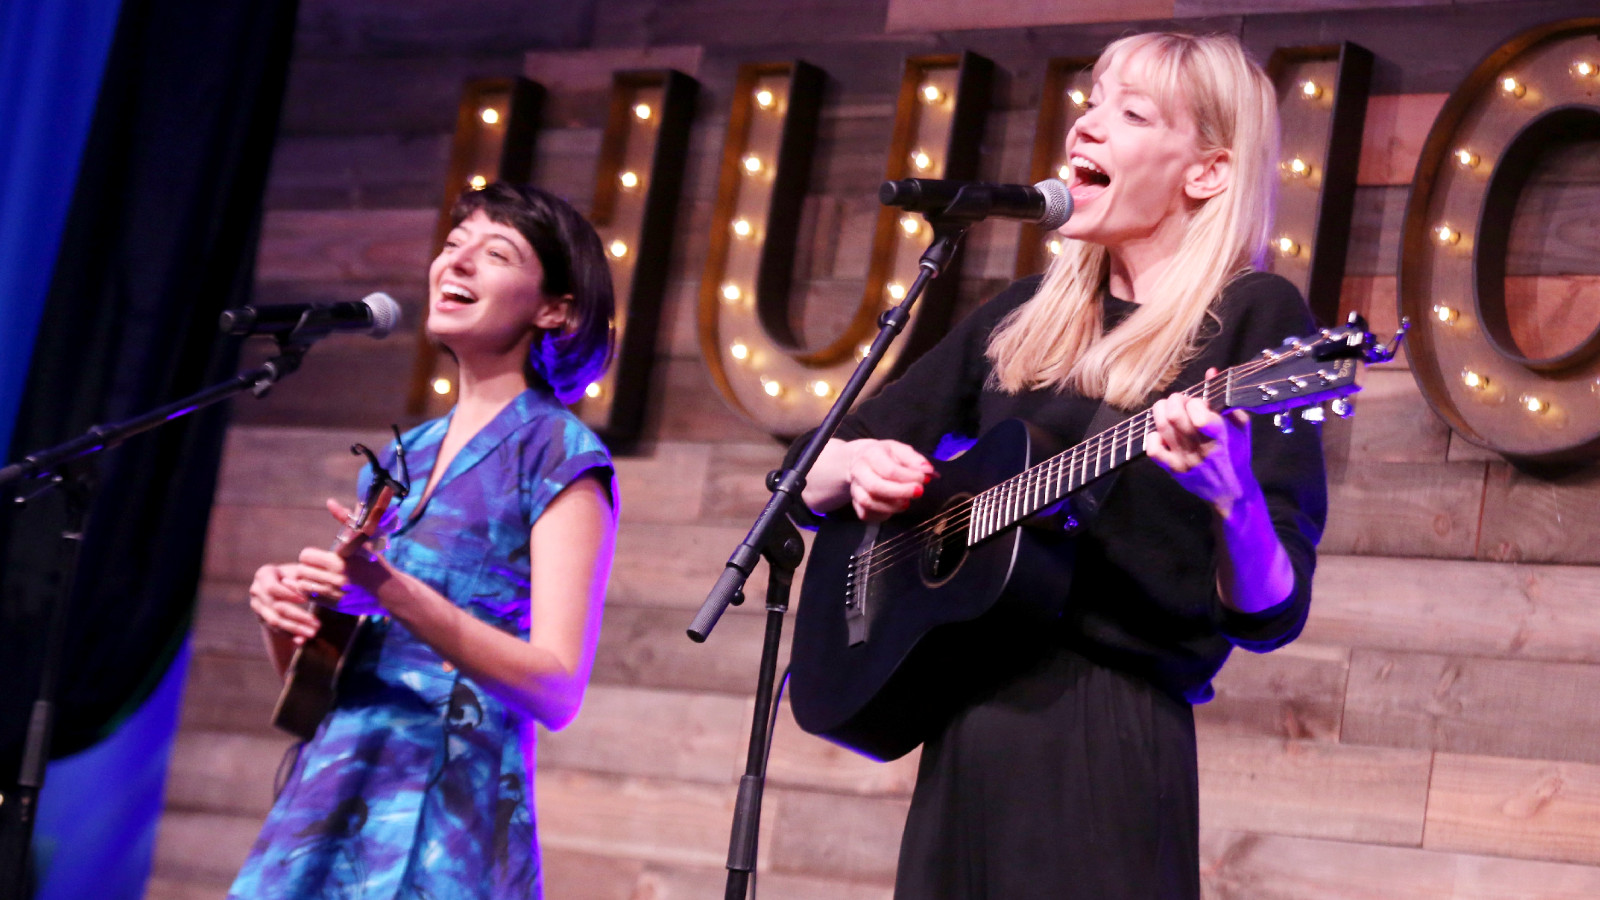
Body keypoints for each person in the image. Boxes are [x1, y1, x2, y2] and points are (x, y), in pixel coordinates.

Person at [798, 32, 1326, 898]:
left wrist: (1232, 503)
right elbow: (807, 478)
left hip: (1105, 731)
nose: (1086, 125)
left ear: (1207, 172)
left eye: (1130, 111)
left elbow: (1272, 609)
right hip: (965, 724)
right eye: (1091, 99)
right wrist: (853, 466)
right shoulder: (1026, 318)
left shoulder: (1253, 320)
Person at [230, 182, 618, 898]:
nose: (457, 264)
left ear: (554, 309)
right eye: (452, 246)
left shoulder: (560, 454)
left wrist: (389, 591)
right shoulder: (402, 456)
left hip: (446, 813)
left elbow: (558, 688)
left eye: (494, 253)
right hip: (331, 798)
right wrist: (288, 621)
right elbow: (315, 695)